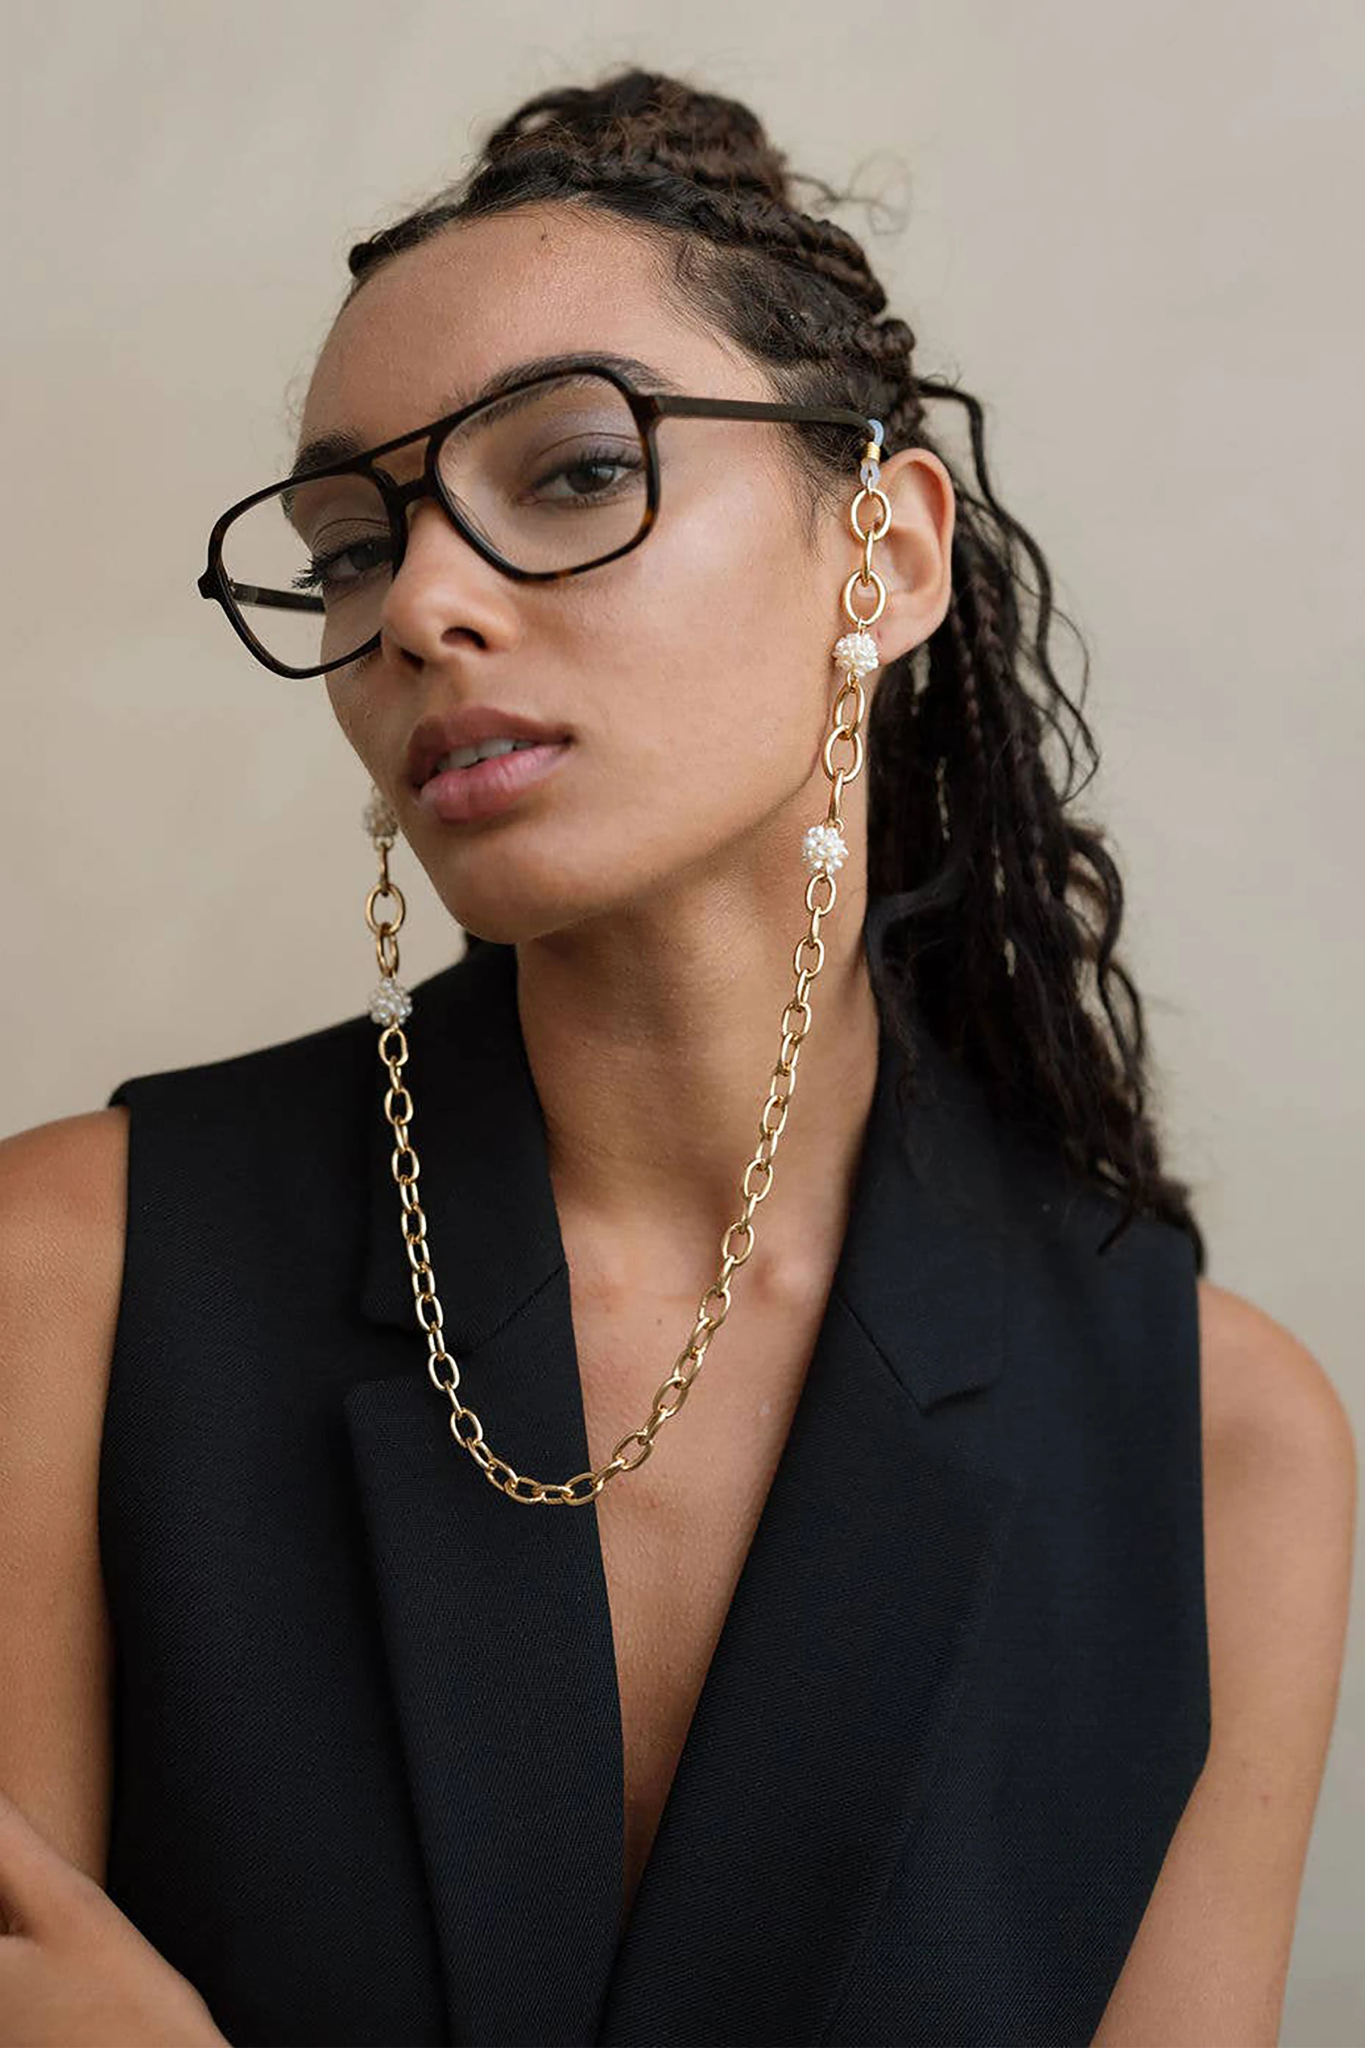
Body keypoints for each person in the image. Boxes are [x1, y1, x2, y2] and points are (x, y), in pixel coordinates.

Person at [0, 64, 1354, 2048]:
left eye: (568, 471)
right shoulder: (69, 1281)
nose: (423, 606)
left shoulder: (1217, 1442)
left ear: (883, 557)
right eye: (352, 543)